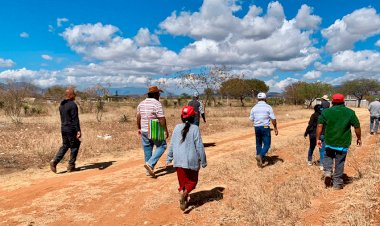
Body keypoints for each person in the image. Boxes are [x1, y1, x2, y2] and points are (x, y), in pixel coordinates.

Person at [316, 93, 361, 190]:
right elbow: (357, 126)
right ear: (343, 102)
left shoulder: (326, 112)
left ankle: (328, 172)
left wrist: (318, 138)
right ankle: (337, 184)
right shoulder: (350, 112)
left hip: (329, 141)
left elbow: (319, 126)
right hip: (343, 142)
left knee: (328, 157)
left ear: (332, 102)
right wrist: (359, 138)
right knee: (339, 162)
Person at [166, 106, 207, 211]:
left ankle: (184, 195)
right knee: (192, 182)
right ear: (193, 118)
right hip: (191, 161)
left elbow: (172, 144)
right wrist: (203, 160)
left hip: (178, 160)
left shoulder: (176, 127)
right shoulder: (195, 128)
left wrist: (169, 157)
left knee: (183, 182)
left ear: (182, 117)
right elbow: (199, 146)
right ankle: (185, 194)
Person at [137, 86, 169, 177]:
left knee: (147, 148)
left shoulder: (141, 103)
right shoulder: (157, 103)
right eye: (158, 93)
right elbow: (162, 118)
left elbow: (138, 117)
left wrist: (139, 128)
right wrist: (165, 130)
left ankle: (148, 171)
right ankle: (150, 164)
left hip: (143, 129)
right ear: (155, 94)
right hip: (154, 127)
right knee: (162, 146)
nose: (159, 95)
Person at [50, 87, 81, 173]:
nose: (75, 96)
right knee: (75, 145)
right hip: (71, 129)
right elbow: (75, 119)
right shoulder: (73, 105)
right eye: (74, 94)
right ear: (70, 95)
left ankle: (54, 161)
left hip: (63, 128)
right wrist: (78, 130)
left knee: (65, 145)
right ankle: (71, 166)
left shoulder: (62, 105)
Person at [249, 92, 278, 168]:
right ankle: (260, 156)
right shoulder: (268, 107)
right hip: (265, 127)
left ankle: (260, 159)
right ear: (265, 98)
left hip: (257, 127)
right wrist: (275, 128)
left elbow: (251, 119)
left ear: (257, 99)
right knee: (267, 144)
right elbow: (273, 119)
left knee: (258, 144)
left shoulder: (254, 107)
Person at [304, 104, 324, 170]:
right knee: (321, 150)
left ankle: (309, 161)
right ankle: (321, 165)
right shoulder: (324, 116)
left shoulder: (314, 115)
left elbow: (310, 125)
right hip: (321, 134)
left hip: (313, 134)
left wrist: (306, 132)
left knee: (311, 147)